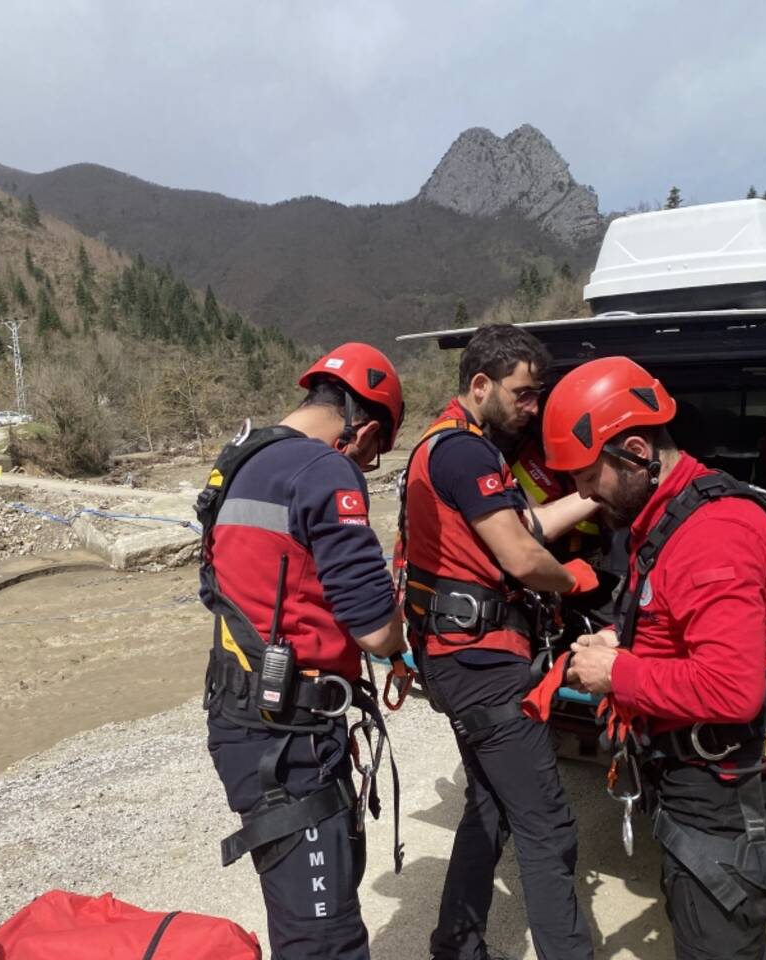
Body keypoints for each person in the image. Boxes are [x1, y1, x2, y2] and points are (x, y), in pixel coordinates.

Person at [544, 356, 766, 960]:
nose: (581, 494)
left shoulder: (709, 538)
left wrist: (618, 672)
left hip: (724, 787)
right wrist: (628, 643)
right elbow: (681, 624)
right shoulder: (667, 514)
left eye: (588, 476)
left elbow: (731, 690)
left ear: (637, 451)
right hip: (698, 773)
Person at [199, 342, 408, 960]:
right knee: (326, 940)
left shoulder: (239, 459)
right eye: (373, 455)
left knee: (302, 917)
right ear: (363, 429)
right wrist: (403, 642)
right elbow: (374, 625)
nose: (365, 467)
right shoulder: (324, 470)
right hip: (288, 736)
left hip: (244, 715)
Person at [400, 323, 596, 960]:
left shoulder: (449, 446)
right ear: (479, 384)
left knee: (488, 807)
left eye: (537, 394)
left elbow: (520, 523)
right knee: (547, 827)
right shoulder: (465, 452)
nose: (531, 407)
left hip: (453, 659)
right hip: (484, 664)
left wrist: (589, 496)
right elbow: (519, 553)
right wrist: (572, 581)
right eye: (524, 393)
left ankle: (455, 945)